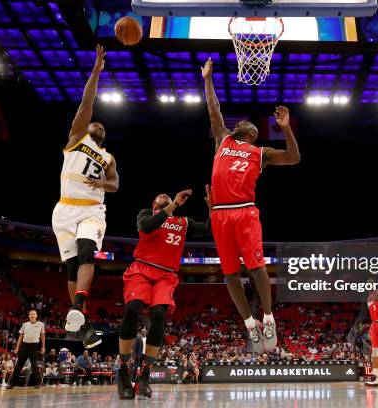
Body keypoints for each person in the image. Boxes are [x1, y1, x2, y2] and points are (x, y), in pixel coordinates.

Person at [201, 57, 300, 353]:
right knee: (230, 272)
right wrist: (207, 80)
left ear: (252, 132)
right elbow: (213, 109)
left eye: (245, 123)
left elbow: (294, 158)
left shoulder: (261, 152)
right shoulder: (223, 140)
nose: (240, 122)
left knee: (256, 266)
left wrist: (285, 128)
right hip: (220, 214)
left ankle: (268, 317)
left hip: (245, 211)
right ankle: (249, 324)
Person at [52, 44, 119, 349]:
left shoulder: (108, 157)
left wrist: (102, 183)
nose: (98, 123)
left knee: (86, 251)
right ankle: (83, 325)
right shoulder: (77, 138)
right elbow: (86, 101)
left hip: (92, 210)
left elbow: (116, 185)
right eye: (96, 122)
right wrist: (96, 71)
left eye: (102, 125)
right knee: (70, 266)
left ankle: (78, 307)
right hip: (64, 209)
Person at [117, 190, 211, 399]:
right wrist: (173, 206)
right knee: (132, 308)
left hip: (166, 274)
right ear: (155, 203)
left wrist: (213, 209)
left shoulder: (183, 222)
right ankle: (123, 369)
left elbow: (208, 229)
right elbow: (147, 226)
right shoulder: (147, 214)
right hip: (142, 268)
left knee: (159, 314)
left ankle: (145, 374)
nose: (164, 195)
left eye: (168, 197)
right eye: (160, 196)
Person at [7, 310, 45, 389]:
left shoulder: (41, 324)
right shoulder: (25, 325)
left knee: (34, 365)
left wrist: (43, 346)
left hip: (34, 346)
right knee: (18, 365)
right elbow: (20, 336)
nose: (32, 315)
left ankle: (38, 383)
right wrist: (17, 347)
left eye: (34, 314)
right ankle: (12, 383)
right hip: (24, 345)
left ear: (36, 316)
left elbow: (42, 336)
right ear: (29, 316)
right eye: (31, 314)